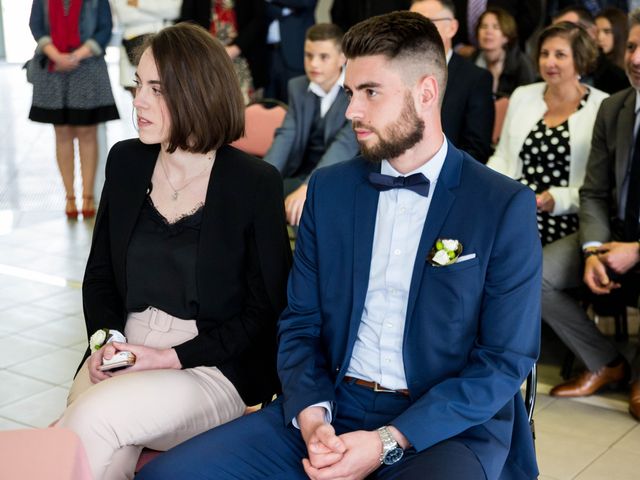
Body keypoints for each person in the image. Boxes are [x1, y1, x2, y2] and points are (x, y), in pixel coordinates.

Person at [138, 11, 541, 480]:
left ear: (426, 93)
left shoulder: (501, 204)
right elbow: (300, 322)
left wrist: (387, 441)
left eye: (371, 92)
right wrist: (311, 414)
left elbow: (503, 361)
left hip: (443, 427)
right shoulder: (329, 190)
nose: (351, 111)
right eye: (351, 93)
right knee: (166, 477)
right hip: (330, 403)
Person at [54, 23, 292, 480]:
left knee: (92, 420)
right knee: (96, 442)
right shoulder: (126, 161)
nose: (137, 100)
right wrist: (106, 342)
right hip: (126, 346)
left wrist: (167, 358)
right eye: (138, 84)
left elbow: (264, 311)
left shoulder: (253, 183)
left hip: (209, 366)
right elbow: (100, 274)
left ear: (196, 94)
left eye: (156, 89)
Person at [542, 9, 640, 422]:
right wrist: (594, 249)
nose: (635, 58)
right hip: (610, 232)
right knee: (534, 275)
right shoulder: (616, 108)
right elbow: (595, 192)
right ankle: (605, 362)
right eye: (633, 47)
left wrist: (636, 250)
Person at [488, 22, 608, 246]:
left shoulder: (602, 106)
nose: (549, 62)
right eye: (544, 54)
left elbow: (601, 186)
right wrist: (487, 186)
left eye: (560, 55)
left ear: (580, 59)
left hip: (564, 215)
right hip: (515, 205)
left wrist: (558, 200)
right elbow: (502, 157)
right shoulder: (523, 95)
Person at [28, 0, 119, 219]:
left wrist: (75, 56)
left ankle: (88, 196)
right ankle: (69, 196)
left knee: (87, 132)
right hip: (52, 66)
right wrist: (56, 55)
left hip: (87, 66)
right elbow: (36, 25)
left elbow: (104, 29)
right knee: (62, 132)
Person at [264, 23, 359, 227]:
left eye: (323, 57)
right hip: (300, 172)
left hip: (340, 176)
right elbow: (285, 137)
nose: (314, 64)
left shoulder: (356, 92)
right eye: (309, 55)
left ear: (342, 58)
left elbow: (344, 147)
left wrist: (309, 187)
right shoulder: (297, 87)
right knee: (258, 198)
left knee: (306, 210)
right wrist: (263, 176)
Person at [410, 0, 494, 164]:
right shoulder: (395, 72)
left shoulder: (475, 79)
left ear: (452, 28)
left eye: (427, 22)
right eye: (411, 23)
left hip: (447, 175)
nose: (416, 30)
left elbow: (476, 149)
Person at [179, 0, 268, 104]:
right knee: (208, 107)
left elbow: (259, 18)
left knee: (244, 107)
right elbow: (186, 21)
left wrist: (236, 48)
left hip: (242, 57)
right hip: (205, 58)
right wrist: (203, 49)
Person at [553, 5, 630, 94]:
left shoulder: (618, 80)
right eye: (554, 32)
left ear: (592, 32)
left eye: (567, 29)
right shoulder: (549, 75)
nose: (557, 39)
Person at [110, 0, 181, 95]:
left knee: (167, 94)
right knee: (140, 99)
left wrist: (138, 3)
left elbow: (175, 10)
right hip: (132, 47)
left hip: (167, 48)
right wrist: (161, 12)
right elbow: (125, 15)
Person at [470, 7, 535, 99]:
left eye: (496, 27)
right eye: (484, 26)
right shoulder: (470, 60)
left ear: (506, 36)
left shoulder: (521, 65)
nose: (488, 32)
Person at [264, 0, 317, 103]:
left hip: (295, 52)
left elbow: (307, 2)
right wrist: (282, 11)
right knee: (267, 106)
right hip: (267, 53)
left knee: (295, 104)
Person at [452, 0, 542, 56]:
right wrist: (457, 46)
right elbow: (446, 13)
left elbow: (531, 16)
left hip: (508, 55)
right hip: (464, 54)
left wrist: (509, 41)